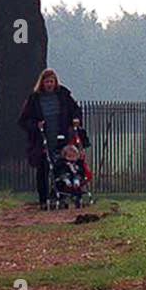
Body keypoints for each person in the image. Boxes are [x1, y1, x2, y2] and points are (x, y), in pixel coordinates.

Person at [17, 68, 88, 209]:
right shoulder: (34, 99)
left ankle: (61, 196)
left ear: (55, 82)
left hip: (61, 138)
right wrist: (36, 125)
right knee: (43, 169)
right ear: (42, 83)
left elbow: (76, 110)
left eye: (51, 81)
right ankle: (43, 199)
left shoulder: (63, 95)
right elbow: (24, 120)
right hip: (42, 140)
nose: (49, 84)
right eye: (46, 81)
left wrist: (76, 119)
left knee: (63, 168)